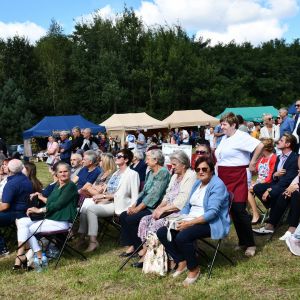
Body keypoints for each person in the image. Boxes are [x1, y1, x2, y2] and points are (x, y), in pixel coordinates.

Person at [157, 157, 230, 286]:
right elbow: (187, 206)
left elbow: (212, 213)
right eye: (198, 169)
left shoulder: (217, 185)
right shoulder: (197, 183)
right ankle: (182, 261)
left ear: (211, 170)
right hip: (190, 219)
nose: (201, 172)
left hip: (211, 222)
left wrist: (189, 223)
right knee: (162, 231)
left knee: (183, 236)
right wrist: (179, 218)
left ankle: (194, 269)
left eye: (204, 169)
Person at [215, 112, 264, 257]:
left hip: (238, 176)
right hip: (224, 176)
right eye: (221, 124)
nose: (221, 127)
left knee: (239, 209)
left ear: (233, 125)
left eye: (224, 124)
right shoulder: (224, 138)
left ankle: (250, 244)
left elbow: (260, 145)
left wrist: (253, 162)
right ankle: (242, 241)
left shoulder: (241, 136)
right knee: (233, 210)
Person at [14, 162, 78, 270]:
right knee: (22, 222)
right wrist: (40, 201)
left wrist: (39, 210)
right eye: (60, 172)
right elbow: (51, 202)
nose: (63, 174)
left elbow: (58, 205)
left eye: (65, 171)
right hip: (52, 218)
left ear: (70, 172)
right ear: (56, 174)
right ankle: (27, 256)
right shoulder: (58, 185)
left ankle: (36, 257)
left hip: (61, 221)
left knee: (30, 229)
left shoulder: (70, 186)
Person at [137, 151, 196, 259]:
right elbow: (167, 195)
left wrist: (163, 210)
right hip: (168, 209)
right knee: (145, 220)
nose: (172, 167)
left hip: (179, 211)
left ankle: (157, 257)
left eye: (174, 164)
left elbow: (181, 202)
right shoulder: (174, 176)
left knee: (157, 224)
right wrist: (159, 207)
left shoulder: (191, 176)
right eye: (171, 164)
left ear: (183, 164)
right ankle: (149, 251)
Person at [78, 149, 140, 252]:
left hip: (119, 204)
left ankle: (93, 241)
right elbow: (108, 189)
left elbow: (134, 195)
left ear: (126, 159)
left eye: (119, 156)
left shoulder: (132, 174)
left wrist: (103, 197)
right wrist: (101, 195)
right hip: (108, 201)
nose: (116, 157)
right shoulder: (116, 173)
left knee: (91, 209)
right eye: (116, 155)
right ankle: (82, 237)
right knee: (85, 207)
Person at [119, 149, 170, 262]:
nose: (146, 162)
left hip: (154, 207)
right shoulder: (150, 172)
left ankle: (141, 247)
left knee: (131, 219)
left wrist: (138, 209)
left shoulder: (163, 172)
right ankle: (133, 245)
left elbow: (154, 195)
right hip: (144, 204)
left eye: (148, 159)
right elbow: (143, 191)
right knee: (123, 215)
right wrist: (134, 204)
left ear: (156, 160)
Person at [253, 133, 298, 236]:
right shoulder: (279, 157)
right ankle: (276, 210)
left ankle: (270, 225)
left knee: (275, 193)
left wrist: (270, 190)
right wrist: (275, 175)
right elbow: (274, 175)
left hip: (286, 186)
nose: (278, 141)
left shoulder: (294, 158)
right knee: (257, 188)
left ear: (288, 144)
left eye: (281, 140)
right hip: (276, 184)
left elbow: (287, 180)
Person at [0, 159, 33, 256]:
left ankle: (2, 249)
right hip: (25, 211)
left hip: (16, 214)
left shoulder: (11, 183)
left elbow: (4, 206)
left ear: (9, 170)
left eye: (6, 166)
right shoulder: (26, 179)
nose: (3, 167)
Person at [248, 138, 277, 224]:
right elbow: (255, 171)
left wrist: (258, 182)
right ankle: (250, 213)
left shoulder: (273, 158)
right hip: (259, 182)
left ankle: (262, 210)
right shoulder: (261, 158)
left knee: (248, 190)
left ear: (264, 148)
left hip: (268, 183)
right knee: (244, 188)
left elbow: (271, 176)